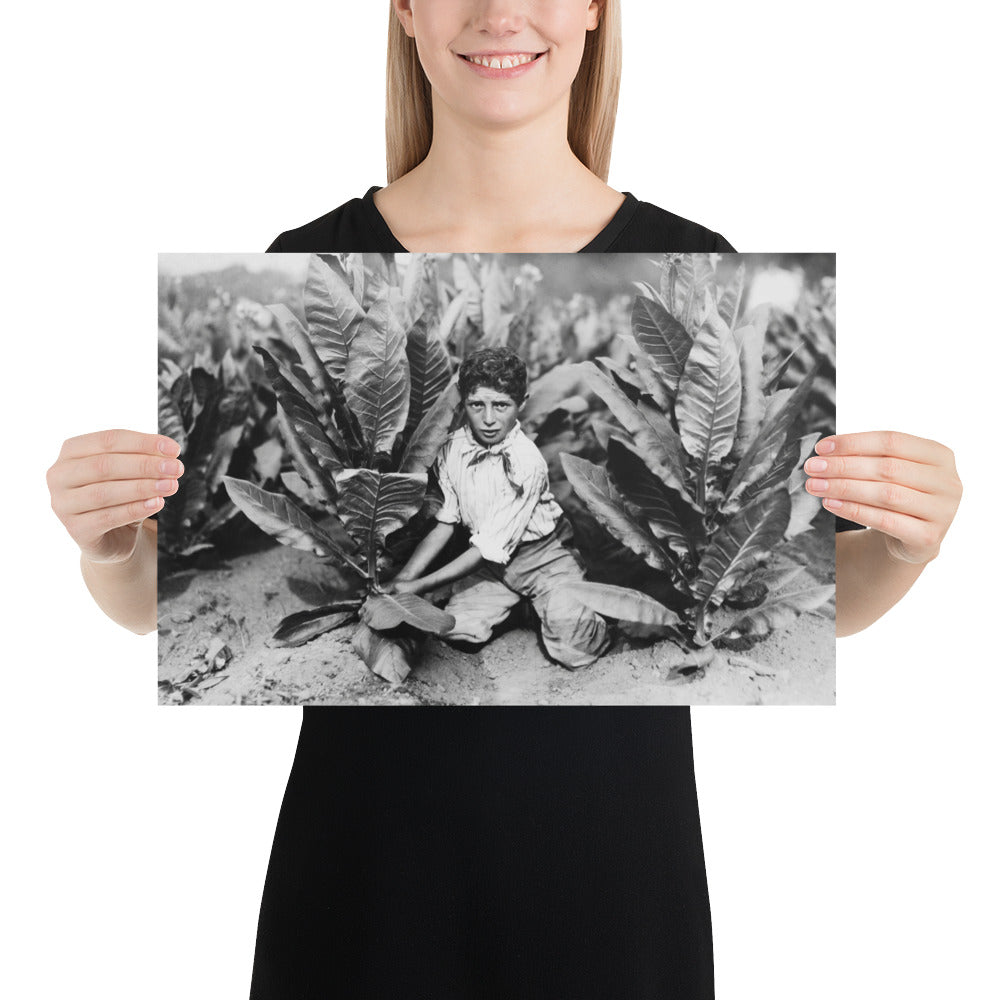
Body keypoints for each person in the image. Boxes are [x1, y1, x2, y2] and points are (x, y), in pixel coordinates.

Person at [44, 2, 963, 997]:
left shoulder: (693, 257)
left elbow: (831, 603)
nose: (498, 9)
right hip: (366, 882)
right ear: (402, 10)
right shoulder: (313, 252)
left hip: (612, 882)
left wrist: (906, 546)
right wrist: (109, 546)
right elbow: (154, 607)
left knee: (554, 618)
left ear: (595, 10)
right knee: (461, 615)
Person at [384, 345, 612, 668]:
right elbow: (447, 523)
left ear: (522, 403)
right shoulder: (452, 449)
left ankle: (565, 602)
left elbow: (486, 548)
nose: (489, 419)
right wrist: (404, 577)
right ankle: (521, 609)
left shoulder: (527, 462)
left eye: (502, 405)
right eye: (477, 405)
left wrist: (416, 586)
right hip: (493, 565)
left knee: (576, 650)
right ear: (463, 403)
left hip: (544, 557)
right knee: (455, 630)